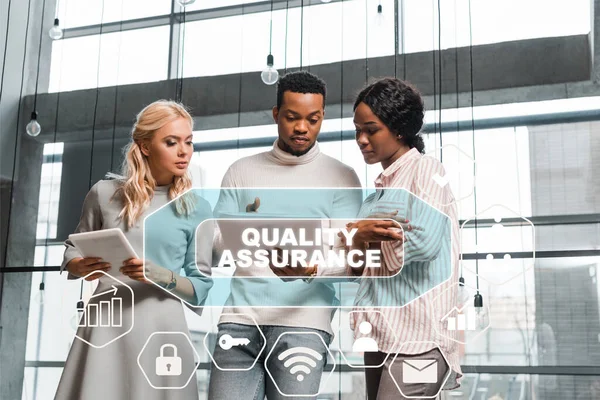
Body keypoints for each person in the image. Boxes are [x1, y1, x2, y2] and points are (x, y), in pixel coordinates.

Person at [207, 71, 363, 399]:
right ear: (277, 114)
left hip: (304, 326)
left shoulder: (342, 177)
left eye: (313, 119)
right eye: (292, 117)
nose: (302, 128)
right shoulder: (241, 170)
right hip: (239, 322)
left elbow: (351, 261)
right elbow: (216, 249)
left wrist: (307, 267)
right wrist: (244, 228)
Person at [55, 100, 213, 400]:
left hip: (162, 327)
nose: (184, 151)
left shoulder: (197, 209)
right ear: (144, 146)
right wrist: (81, 265)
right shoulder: (103, 193)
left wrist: (160, 274)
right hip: (106, 322)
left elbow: (201, 288)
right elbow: (72, 250)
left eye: (189, 142)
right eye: (172, 142)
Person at [349, 78, 462, 399]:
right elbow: (360, 267)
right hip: (381, 339)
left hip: (421, 343)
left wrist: (360, 242)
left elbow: (422, 242)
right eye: (357, 129)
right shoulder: (375, 199)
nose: (361, 139)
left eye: (371, 130)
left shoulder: (426, 171)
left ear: (399, 129)